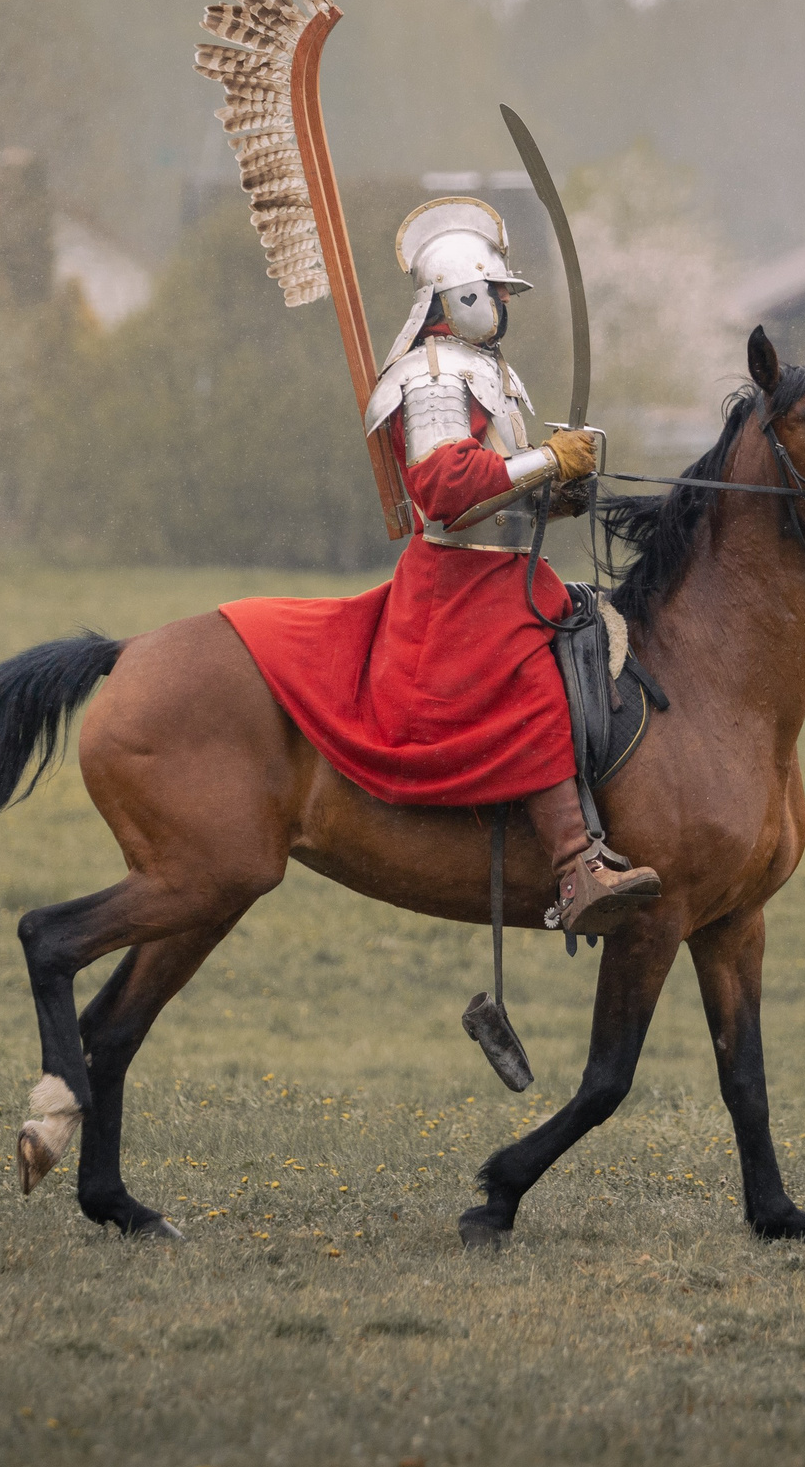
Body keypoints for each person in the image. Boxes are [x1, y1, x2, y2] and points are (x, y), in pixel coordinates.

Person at [220, 198, 660, 934]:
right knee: (534, 677)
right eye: (493, 294)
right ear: (458, 296)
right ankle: (574, 866)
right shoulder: (429, 374)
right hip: (458, 585)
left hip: (510, 572)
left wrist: (562, 486)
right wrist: (547, 457)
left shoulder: (494, 374)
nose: (502, 307)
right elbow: (447, 488)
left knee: (589, 644)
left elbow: (504, 492)